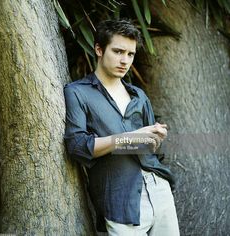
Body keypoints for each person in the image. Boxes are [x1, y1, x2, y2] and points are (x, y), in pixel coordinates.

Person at [64, 19, 180, 236]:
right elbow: (78, 146)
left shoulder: (139, 95)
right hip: (119, 197)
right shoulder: (77, 92)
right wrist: (130, 137)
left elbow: (148, 145)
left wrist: (154, 136)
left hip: (159, 190)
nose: (124, 60)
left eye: (130, 54)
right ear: (99, 49)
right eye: (118, 51)